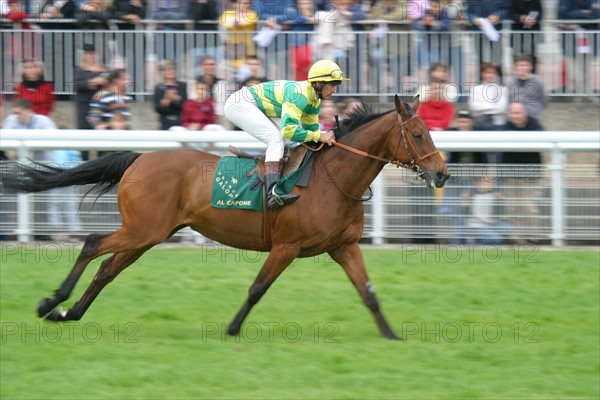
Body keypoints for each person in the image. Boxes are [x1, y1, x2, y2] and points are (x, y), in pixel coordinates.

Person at [223, 59, 347, 209]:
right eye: (332, 85)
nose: (334, 90)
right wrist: (320, 135)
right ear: (318, 83)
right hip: (239, 104)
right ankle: (272, 193)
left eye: (336, 85)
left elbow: (311, 132)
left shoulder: (314, 100)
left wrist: (325, 137)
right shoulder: (300, 95)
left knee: (291, 141)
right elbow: (289, 130)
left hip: (257, 105)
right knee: (276, 139)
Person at [501, 102, 543, 242]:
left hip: (529, 174)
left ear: (525, 113)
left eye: (518, 113)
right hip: (511, 174)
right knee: (512, 206)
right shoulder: (506, 127)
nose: (515, 116)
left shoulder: (535, 125)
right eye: (512, 113)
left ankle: (533, 236)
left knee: (527, 205)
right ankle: (517, 236)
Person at [467, 176, 514, 245]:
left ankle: (490, 236)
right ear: (478, 184)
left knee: (509, 228)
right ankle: (475, 243)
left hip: (492, 224)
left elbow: (500, 213)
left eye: (490, 182)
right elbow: (480, 217)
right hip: (478, 226)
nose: (490, 184)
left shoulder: (493, 195)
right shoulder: (474, 197)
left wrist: (499, 201)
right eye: (485, 182)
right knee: (497, 239)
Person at [74, 43, 107, 130]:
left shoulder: (103, 70)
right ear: (84, 56)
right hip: (84, 107)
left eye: (93, 54)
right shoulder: (79, 70)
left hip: (100, 107)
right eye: (89, 54)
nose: (91, 56)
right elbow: (77, 84)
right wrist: (92, 82)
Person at [507, 54, 548, 122]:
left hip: (534, 118)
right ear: (515, 67)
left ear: (531, 67)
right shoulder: (511, 83)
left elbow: (544, 100)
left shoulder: (538, 82)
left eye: (524, 65)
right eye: (519, 65)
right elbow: (509, 100)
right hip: (516, 120)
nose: (522, 68)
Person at [468, 62, 508, 131]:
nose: (490, 75)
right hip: (480, 123)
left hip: (498, 124)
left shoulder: (503, 89)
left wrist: (482, 108)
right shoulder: (475, 89)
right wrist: (492, 106)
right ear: (482, 74)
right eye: (487, 73)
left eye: (492, 73)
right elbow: (473, 106)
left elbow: (502, 108)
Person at [154, 59, 187, 130]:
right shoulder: (159, 88)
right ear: (162, 72)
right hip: (166, 122)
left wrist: (175, 99)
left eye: (173, 69)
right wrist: (168, 101)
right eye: (168, 69)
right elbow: (158, 108)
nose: (172, 71)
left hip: (181, 122)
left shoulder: (182, 86)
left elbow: (185, 104)